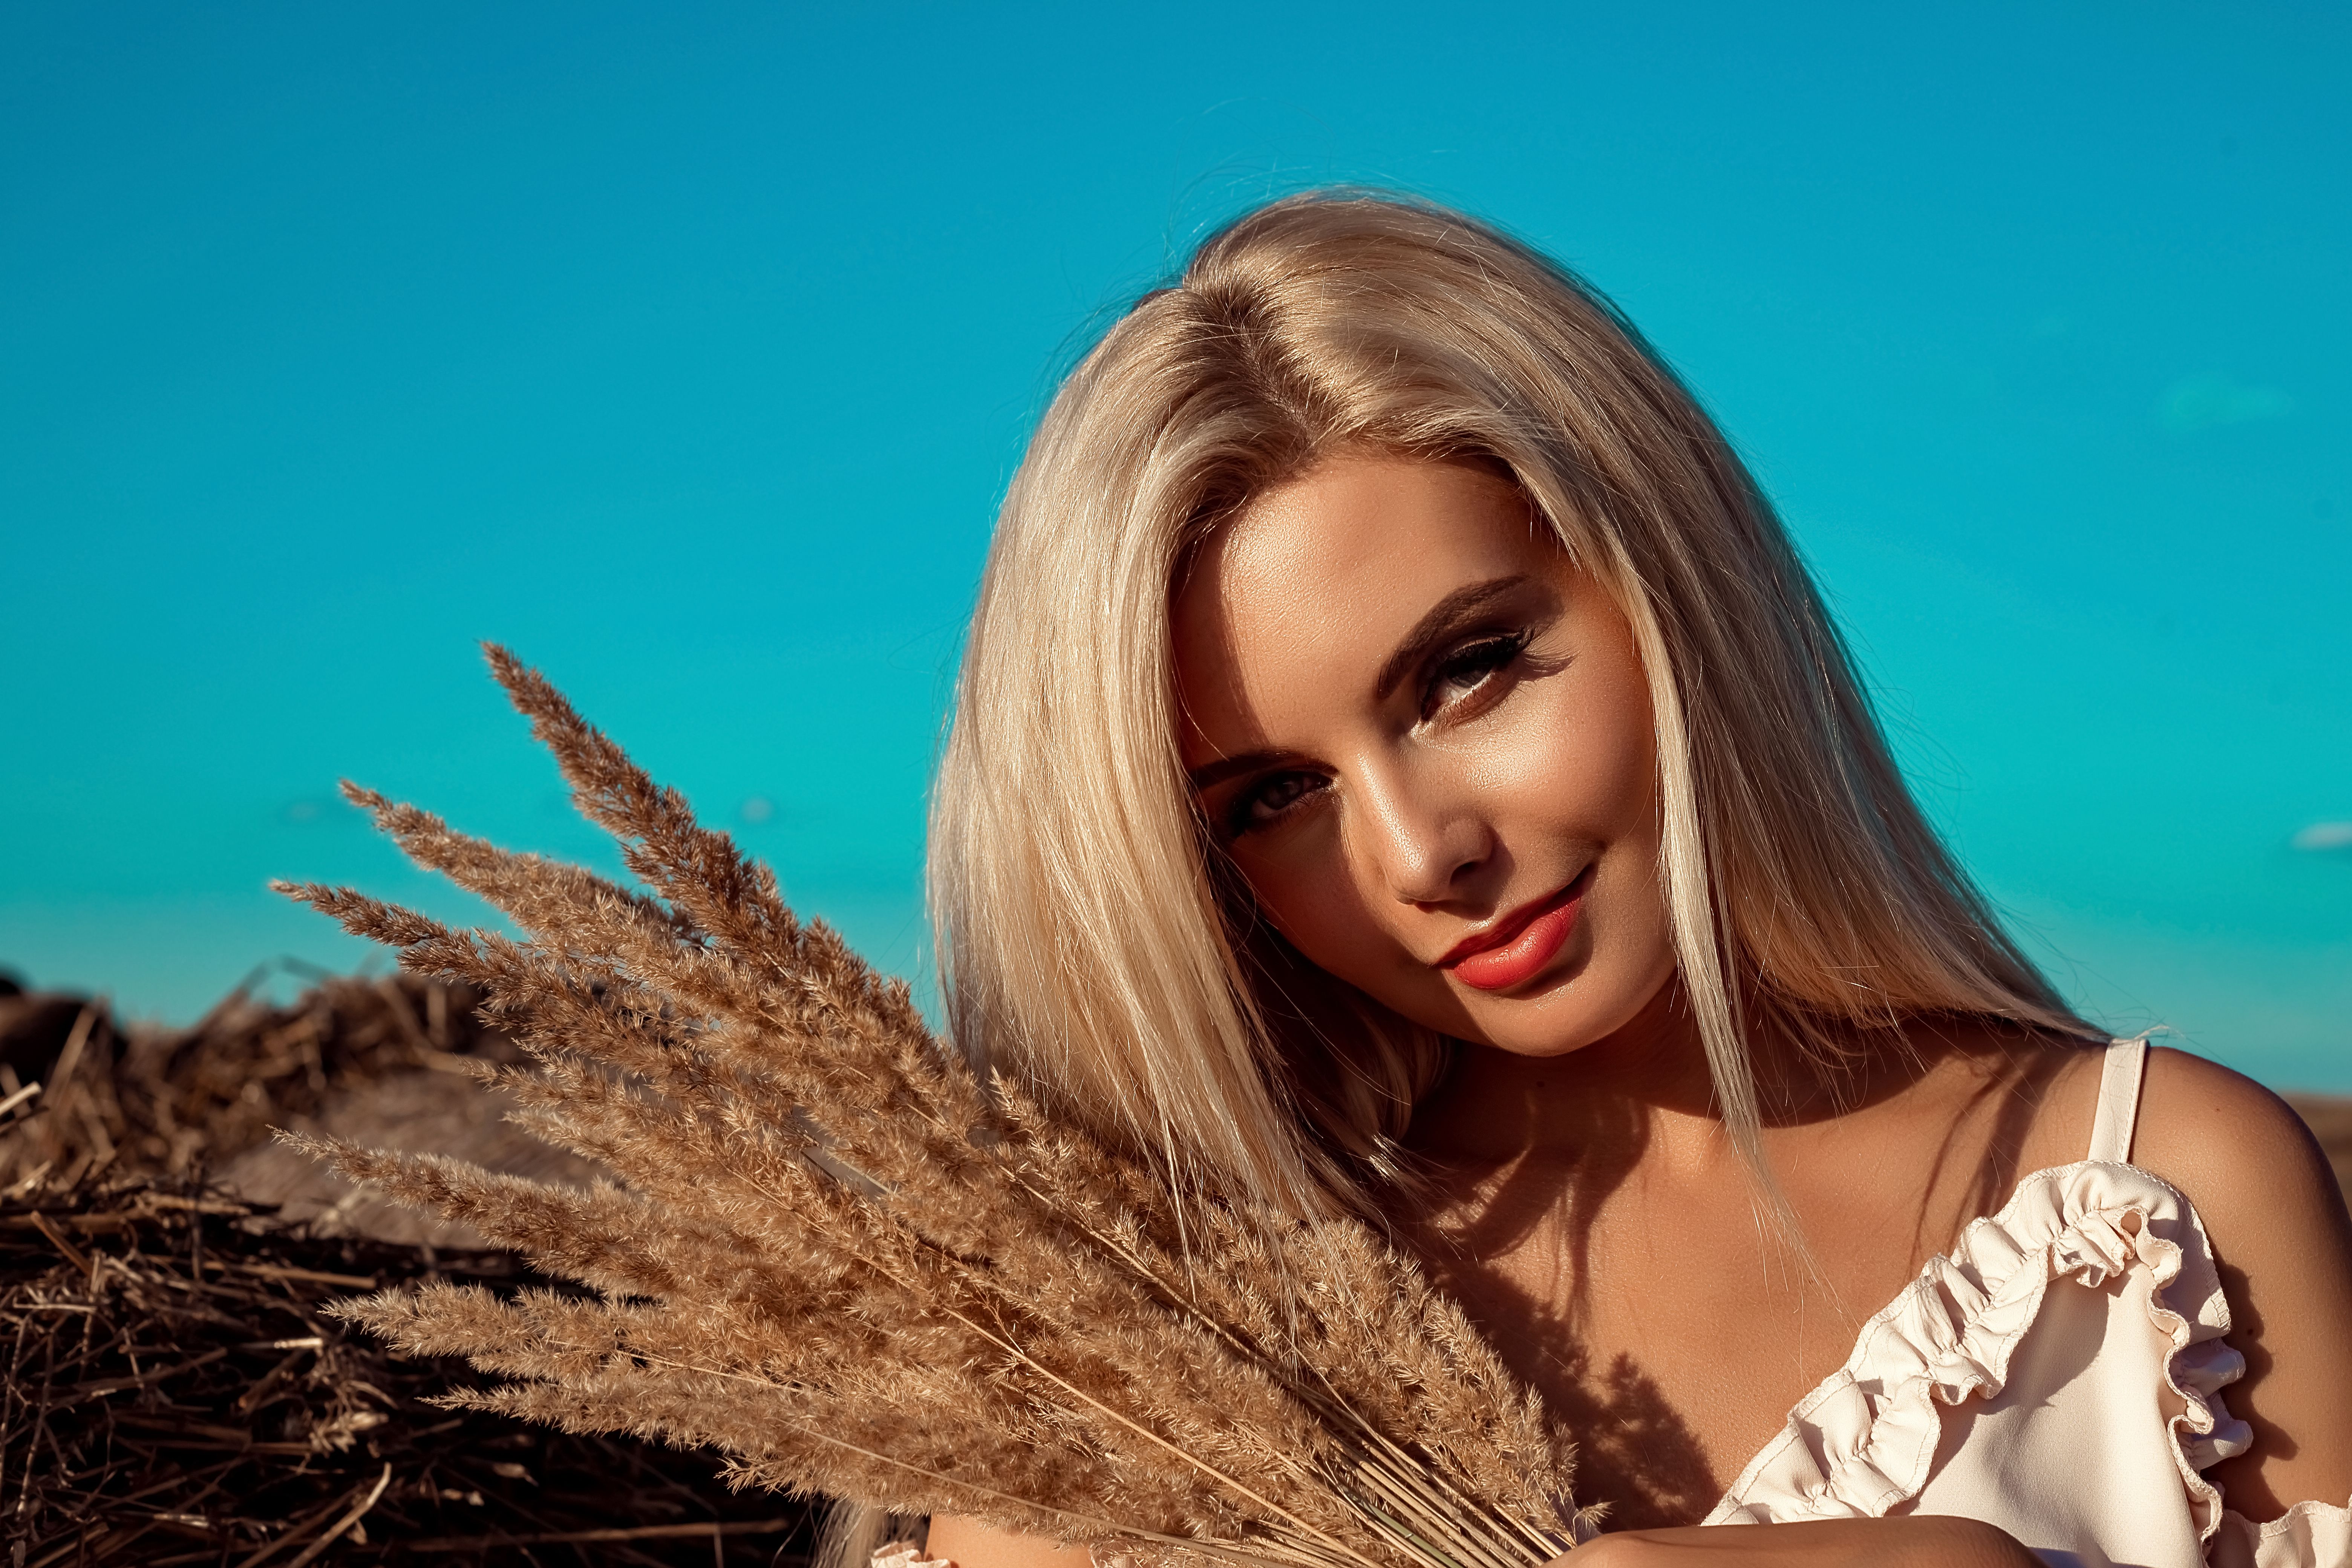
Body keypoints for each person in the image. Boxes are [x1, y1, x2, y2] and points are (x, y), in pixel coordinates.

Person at [893, 191, 2352, 1568]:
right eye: (1277, 795)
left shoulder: (2156, 1208)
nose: (1420, 853)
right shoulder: (1167, 1348)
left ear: (1667, 584)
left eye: (1466, 672)